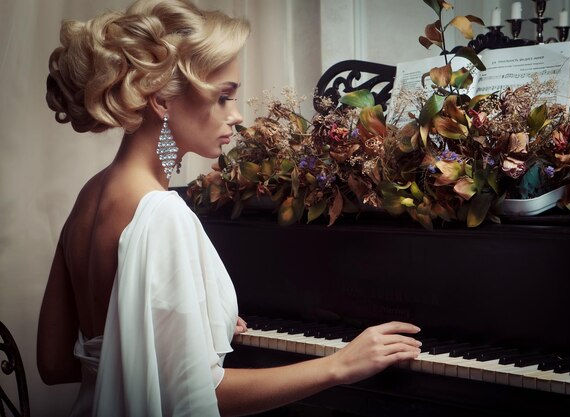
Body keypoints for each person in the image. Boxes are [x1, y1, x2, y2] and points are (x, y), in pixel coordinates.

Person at [36, 1, 422, 416]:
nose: (237, 116)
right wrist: (339, 365)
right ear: (161, 101)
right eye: (223, 97)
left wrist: (177, 342)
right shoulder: (162, 213)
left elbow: (54, 364)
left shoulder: (90, 196)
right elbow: (199, 398)